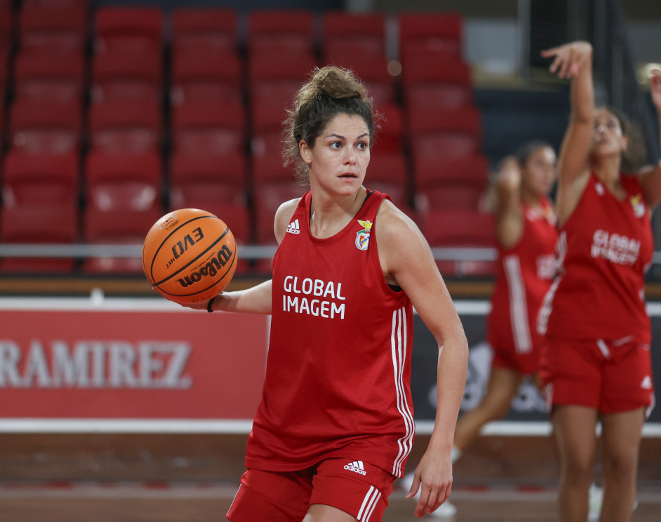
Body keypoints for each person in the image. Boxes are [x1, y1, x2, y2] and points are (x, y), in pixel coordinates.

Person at [200, 65, 469, 521]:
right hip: (283, 433)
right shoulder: (289, 220)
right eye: (336, 145)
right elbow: (294, 290)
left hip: (361, 436)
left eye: (362, 145)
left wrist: (441, 446)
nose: (352, 158)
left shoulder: (393, 232)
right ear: (306, 150)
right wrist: (220, 300)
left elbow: (453, 338)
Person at [536, 41, 661, 522]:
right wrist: (584, 63)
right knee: (578, 463)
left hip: (628, 341)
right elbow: (581, 120)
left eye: (612, 125)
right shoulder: (575, 183)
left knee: (624, 463)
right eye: (597, 125)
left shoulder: (641, 192)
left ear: (625, 143)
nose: (601, 128)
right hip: (572, 339)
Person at [401, 142, 559, 518]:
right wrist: (507, 181)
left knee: (492, 405)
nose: (548, 173)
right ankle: (589, 487)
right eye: (539, 165)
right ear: (521, 171)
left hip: (530, 321)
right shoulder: (514, 208)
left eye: (552, 166)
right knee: (564, 406)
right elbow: (505, 197)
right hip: (523, 323)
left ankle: (419, 479)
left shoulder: (546, 208)